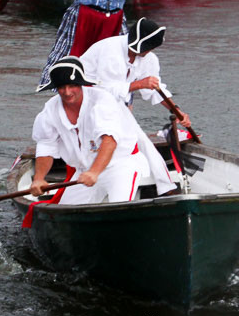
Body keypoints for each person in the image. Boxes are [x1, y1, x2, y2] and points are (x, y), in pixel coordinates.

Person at [78, 18, 190, 190]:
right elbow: (106, 90)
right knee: (127, 138)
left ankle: (164, 186)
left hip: (117, 102)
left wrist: (178, 111)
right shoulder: (110, 51)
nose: (137, 52)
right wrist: (139, 84)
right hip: (87, 98)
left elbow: (154, 90)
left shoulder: (150, 59)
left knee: (135, 140)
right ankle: (164, 186)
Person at [28, 56, 150, 206]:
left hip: (120, 165)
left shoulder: (102, 101)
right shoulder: (50, 110)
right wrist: (39, 178)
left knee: (120, 206)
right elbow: (46, 146)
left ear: (81, 84)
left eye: (72, 85)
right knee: (65, 211)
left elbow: (109, 141)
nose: (67, 92)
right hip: (84, 172)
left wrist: (95, 172)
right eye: (61, 87)